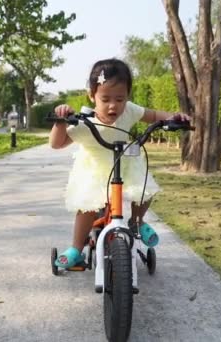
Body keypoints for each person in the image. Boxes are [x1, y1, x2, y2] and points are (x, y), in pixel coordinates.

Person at [49, 58, 190, 268]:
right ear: (92, 95)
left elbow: (153, 115)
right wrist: (60, 122)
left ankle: (136, 222)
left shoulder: (130, 110)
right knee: (87, 208)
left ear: (127, 97)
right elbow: (57, 144)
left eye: (120, 99)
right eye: (105, 99)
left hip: (124, 165)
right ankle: (77, 249)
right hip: (94, 171)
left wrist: (174, 117)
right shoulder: (84, 121)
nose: (113, 105)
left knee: (143, 189)